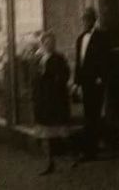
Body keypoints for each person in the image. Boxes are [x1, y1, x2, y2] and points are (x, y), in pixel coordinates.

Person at [31, 31, 71, 175]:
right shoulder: (38, 59)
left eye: (51, 43)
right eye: (46, 43)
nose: (49, 45)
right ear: (42, 44)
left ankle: (70, 158)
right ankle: (49, 162)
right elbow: (34, 79)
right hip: (42, 101)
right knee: (44, 134)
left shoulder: (59, 58)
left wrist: (54, 80)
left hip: (55, 101)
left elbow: (65, 75)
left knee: (61, 131)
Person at [73, 7, 110, 162]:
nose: (85, 22)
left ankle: (92, 148)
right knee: (88, 114)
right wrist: (76, 82)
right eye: (84, 19)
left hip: (96, 81)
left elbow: (105, 58)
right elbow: (79, 61)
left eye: (88, 19)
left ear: (94, 20)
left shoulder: (101, 37)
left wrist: (101, 77)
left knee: (94, 114)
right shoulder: (81, 38)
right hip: (85, 82)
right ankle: (90, 147)